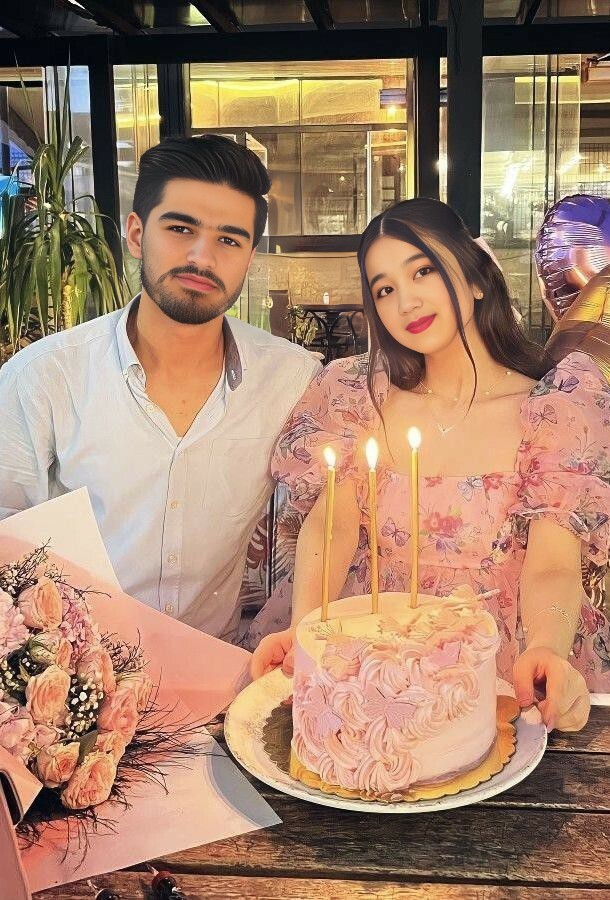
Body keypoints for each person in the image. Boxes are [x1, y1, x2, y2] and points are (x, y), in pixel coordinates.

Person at [252, 198, 610, 732]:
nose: (406, 301)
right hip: (371, 659)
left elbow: (553, 562)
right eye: (384, 289)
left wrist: (546, 648)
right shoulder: (359, 397)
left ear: (476, 278)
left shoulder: (554, 411)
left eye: (423, 270)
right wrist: (308, 628)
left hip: (500, 658)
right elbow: (332, 525)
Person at [0, 135, 321, 642]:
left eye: (229, 240)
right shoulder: (44, 378)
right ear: (135, 234)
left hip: (220, 664)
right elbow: (6, 539)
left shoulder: (289, 378)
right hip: (78, 667)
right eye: (180, 229)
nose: (202, 257)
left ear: (249, 258)